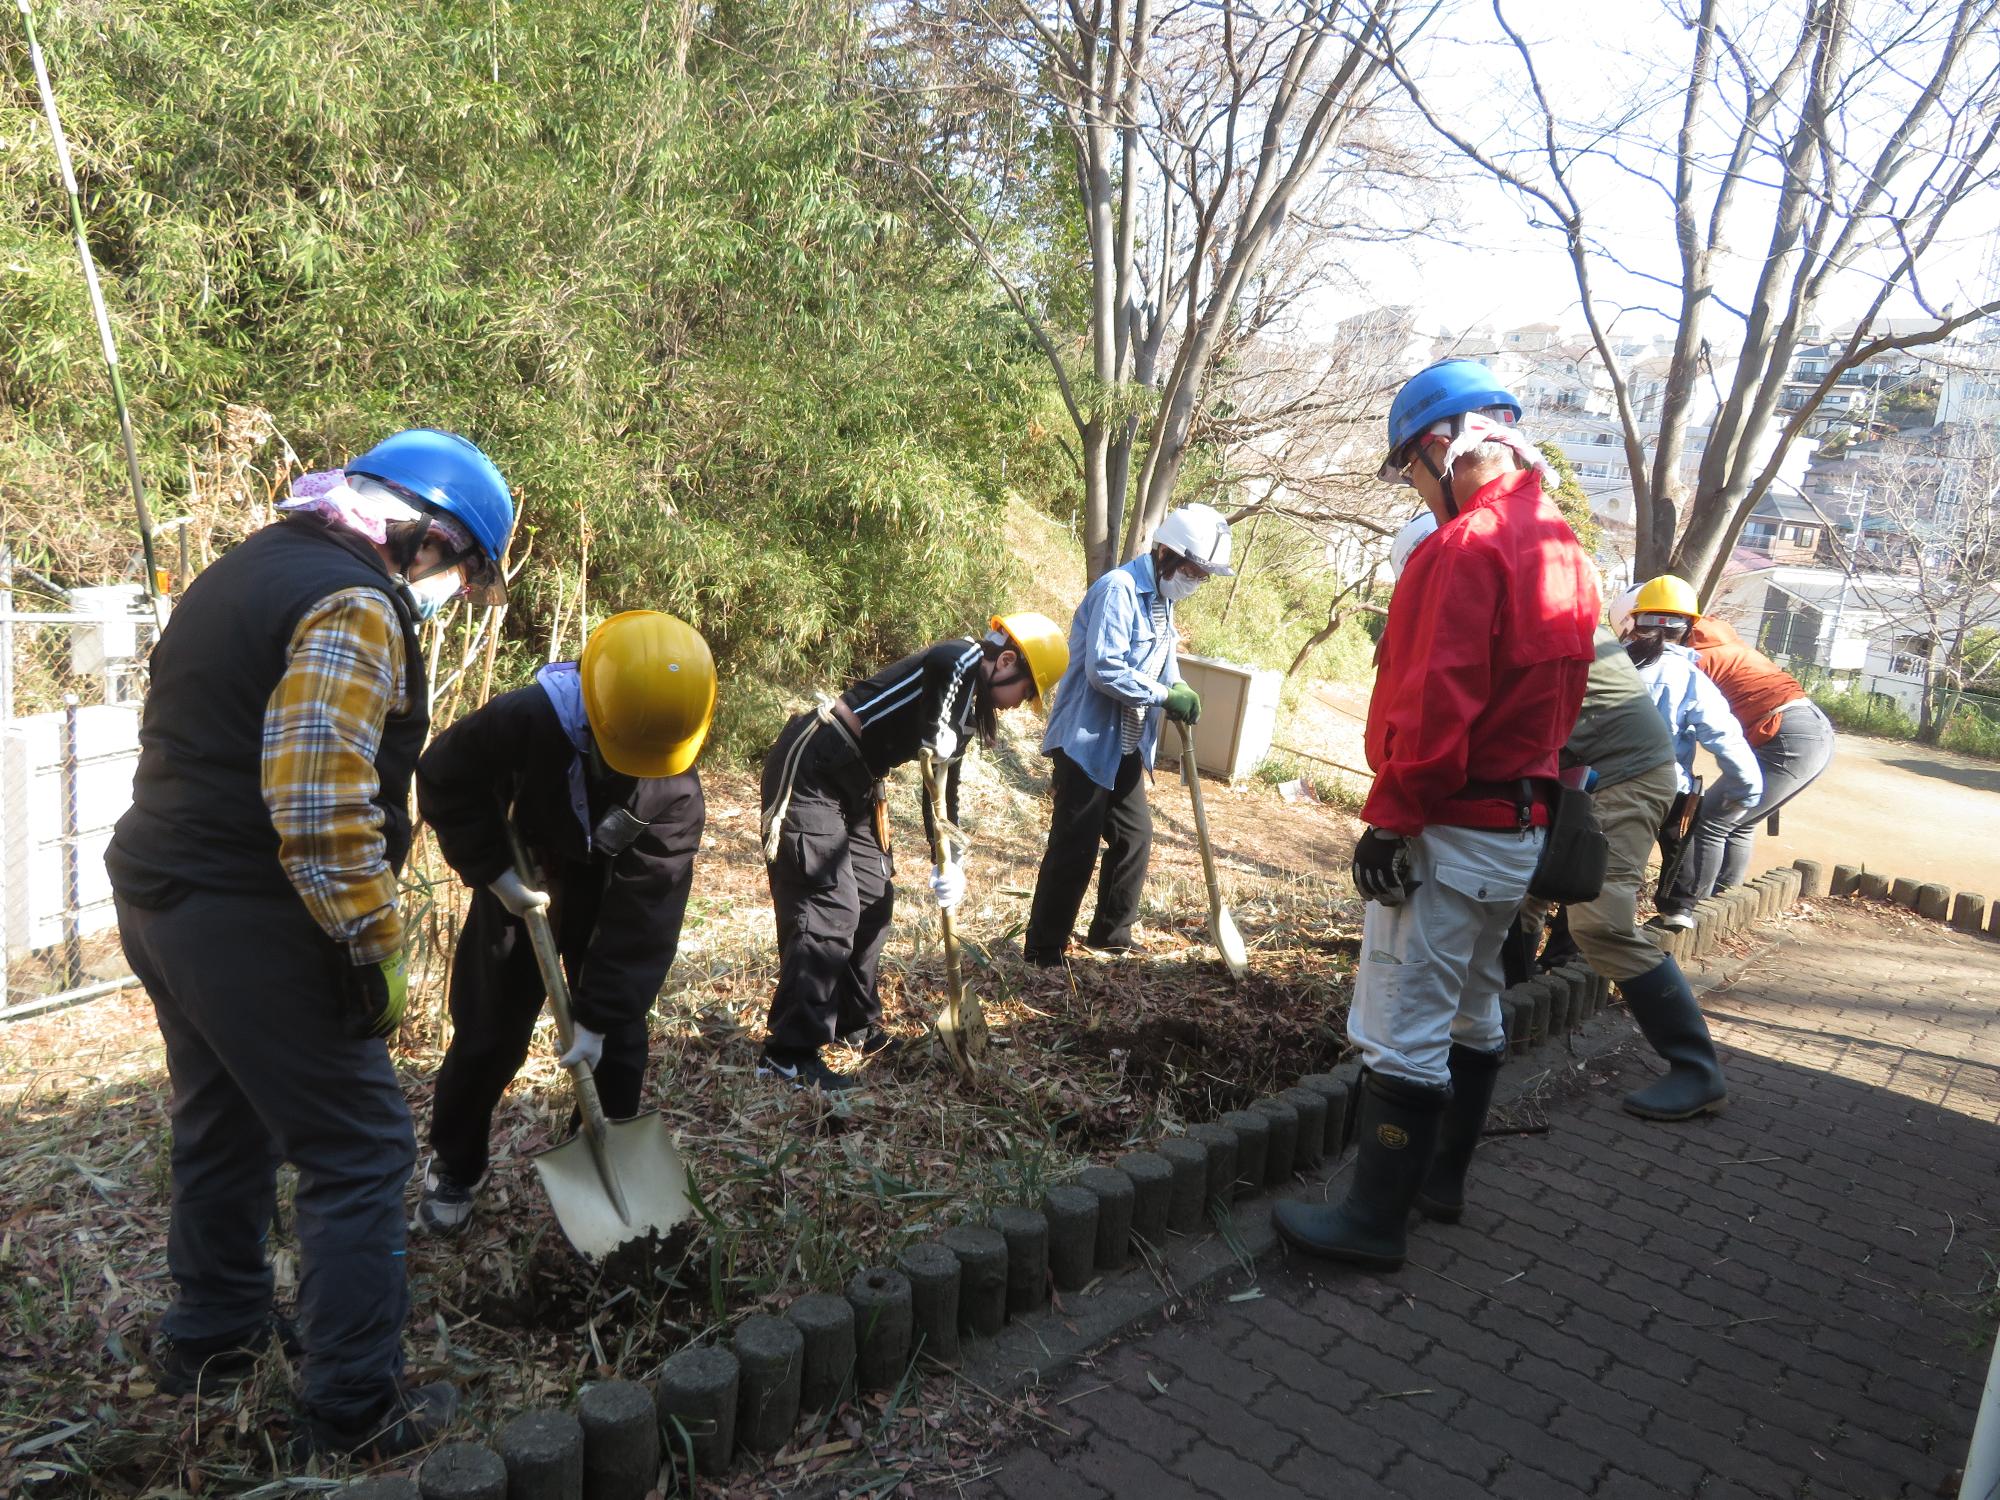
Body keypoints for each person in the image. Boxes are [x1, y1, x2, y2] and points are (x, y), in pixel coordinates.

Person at [105, 430, 513, 1457]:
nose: (458, 595)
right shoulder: (352, 602)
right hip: (248, 909)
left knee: (224, 1117)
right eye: (462, 570)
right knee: (361, 1148)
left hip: (160, 894)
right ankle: (354, 1410)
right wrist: (372, 944)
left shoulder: (246, 564)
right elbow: (318, 801)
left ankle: (212, 1336)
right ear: (424, 533)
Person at [1273, 360, 1599, 1271]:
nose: (1417, 491)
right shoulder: (1564, 546)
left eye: (1410, 472)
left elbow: (1434, 704)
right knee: (1476, 1004)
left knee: (1405, 1022)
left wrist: (1390, 818)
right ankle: (1441, 1182)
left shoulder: (1466, 549)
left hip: (1451, 828)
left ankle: (1374, 1224)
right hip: (1516, 831)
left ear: (1436, 448)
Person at [412, 611, 714, 1232]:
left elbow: (647, 910)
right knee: (488, 1033)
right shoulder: (525, 718)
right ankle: (456, 1165)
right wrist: (494, 873)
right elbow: (445, 777)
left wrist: (600, 1017)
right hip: (520, 883)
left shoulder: (675, 787)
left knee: (621, 1047)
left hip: (609, 898)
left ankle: (606, 1182)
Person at [758, 613, 1069, 1090]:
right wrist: (935, 729)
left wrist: (949, 855)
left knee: (873, 901)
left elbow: (943, 787)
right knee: (829, 909)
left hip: (857, 783)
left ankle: (854, 1023)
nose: (1017, 705)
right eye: (1025, 692)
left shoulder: (966, 711)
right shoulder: (964, 657)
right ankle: (788, 1054)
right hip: (814, 767)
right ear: (1006, 661)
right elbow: (947, 659)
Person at [1022, 505, 1234, 966]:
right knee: (1075, 846)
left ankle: (1111, 937)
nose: (1195, 581)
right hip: (1087, 739)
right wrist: (1162, 695)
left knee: (1134, 838)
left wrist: (1175, 683)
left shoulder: (1162, 597)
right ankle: (1043, 950)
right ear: (1165, 553)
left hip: (1128, 744)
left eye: (1202, 575)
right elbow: (1104, 669)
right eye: (1193, 570)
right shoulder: (1117, 589)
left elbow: (1163, 652)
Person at [1626, 578, 1836, 922]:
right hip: (1807, 729)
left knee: (1709, 818)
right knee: (1738, 819)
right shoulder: (1718, 643)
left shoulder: (1692, 662)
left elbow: (1695, 722)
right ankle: (1723, 905)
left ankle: (1699, 910)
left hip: (1786, 734)